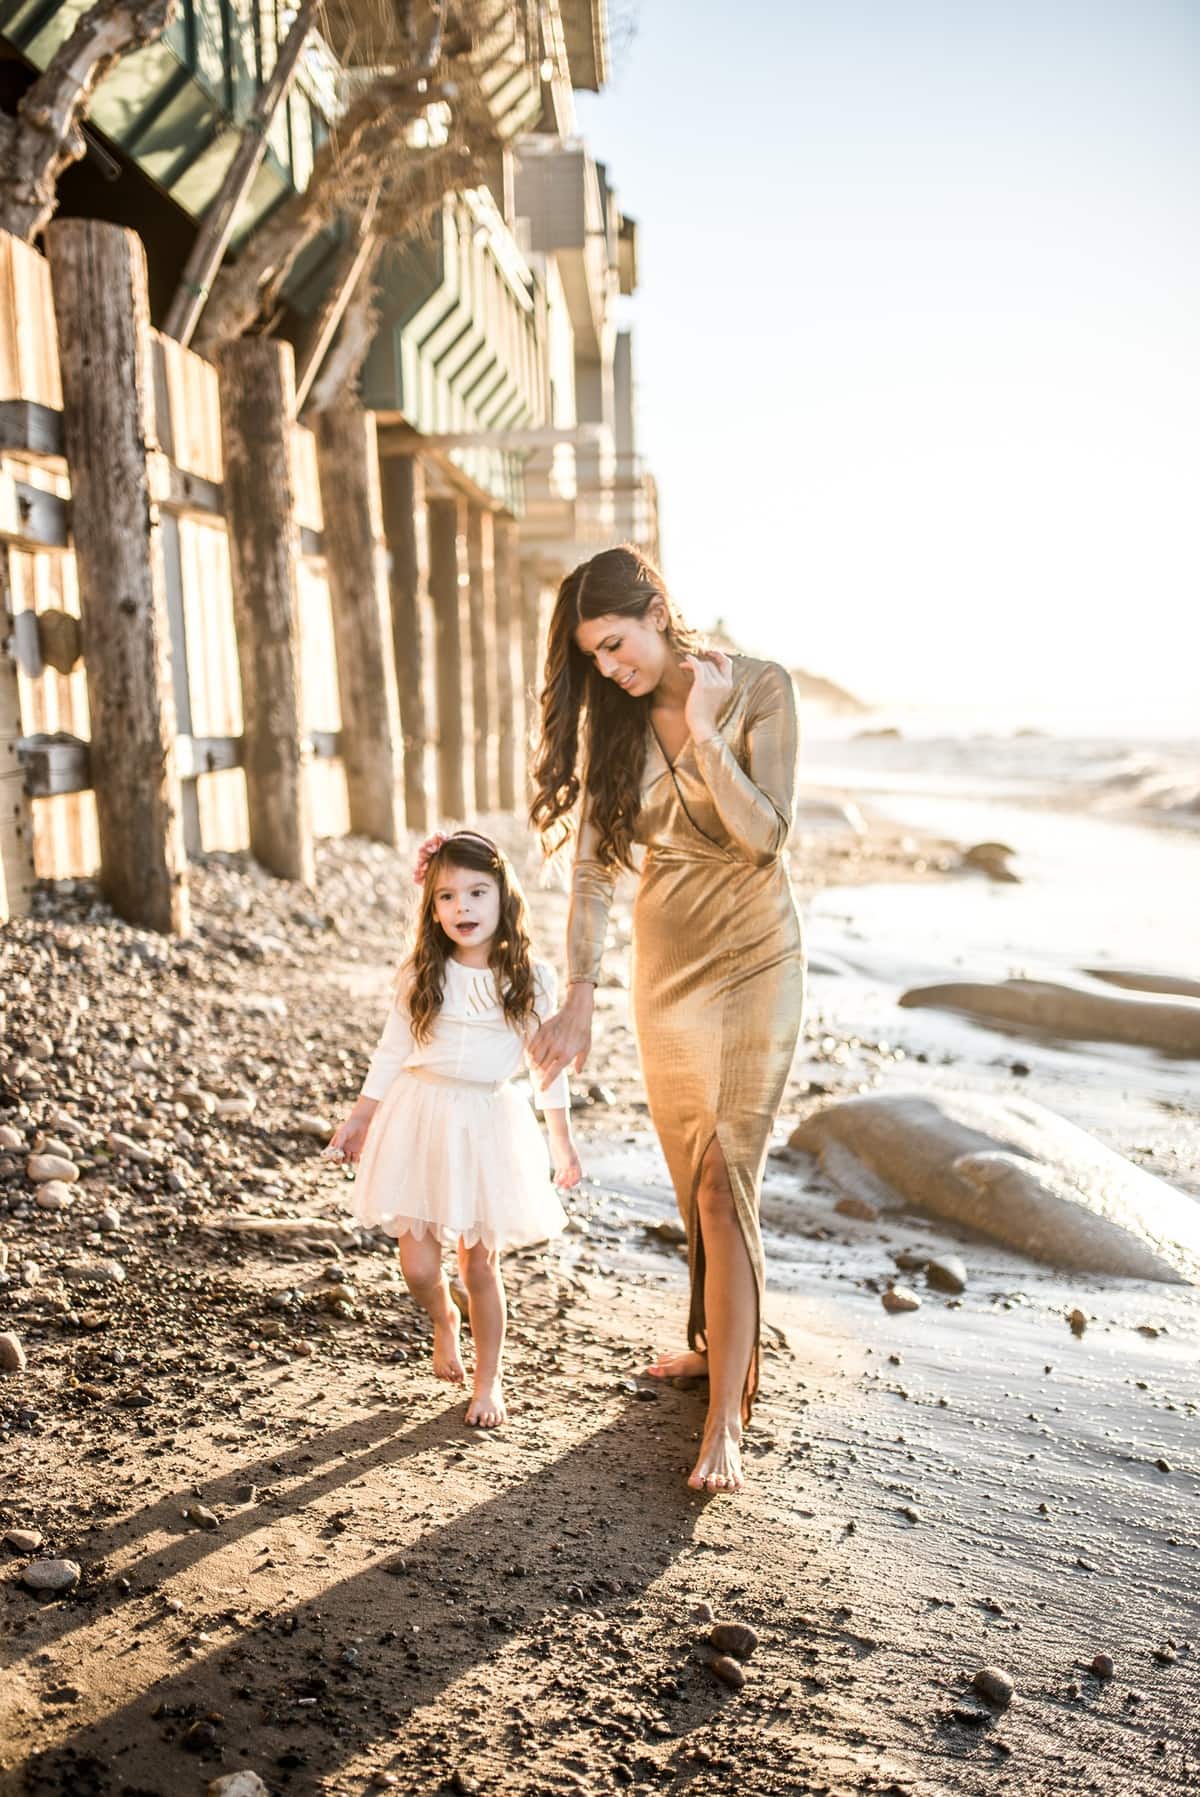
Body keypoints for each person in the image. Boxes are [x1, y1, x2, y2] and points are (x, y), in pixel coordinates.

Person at [528, 546, 804, 1493]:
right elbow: (595, 871)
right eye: (595, 657)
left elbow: (765, 838)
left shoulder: (761, 687)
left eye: (616, 644)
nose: (610, 668)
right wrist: (578, 993)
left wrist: (704, 730)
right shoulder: (613, 724)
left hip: (758, 956)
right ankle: (712, 1343)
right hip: (666, 972)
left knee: (729, 1177)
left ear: (656, 608)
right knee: (693, 1174)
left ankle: (727, 1416)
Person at [326, 829, 582, 1427]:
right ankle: (444, 1319)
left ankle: (489, 1382)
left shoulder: (532, 978)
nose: (461, 908)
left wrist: (561, 1142)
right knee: (418, 1266)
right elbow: (391, 1051)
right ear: (431, 908)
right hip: (418, 1115)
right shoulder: (423, 971)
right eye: (445, 897)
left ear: (503, 899)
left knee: (479, 1264)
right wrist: (360, 1119)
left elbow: (548, 1069)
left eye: (475, 892)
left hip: (488, 1122)